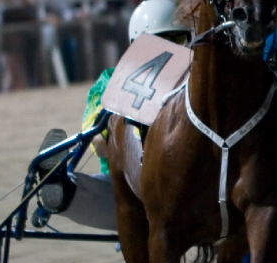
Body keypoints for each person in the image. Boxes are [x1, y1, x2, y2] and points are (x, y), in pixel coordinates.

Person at [32, 0, 192, 230]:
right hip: (131, 194)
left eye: (176, 39)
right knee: (83, 192)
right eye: (158, 42)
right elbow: (101, 144)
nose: (168, 51)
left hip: (191, 189)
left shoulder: (199, 83)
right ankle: (57, 187)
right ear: (138, 45)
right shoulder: (110, 81)